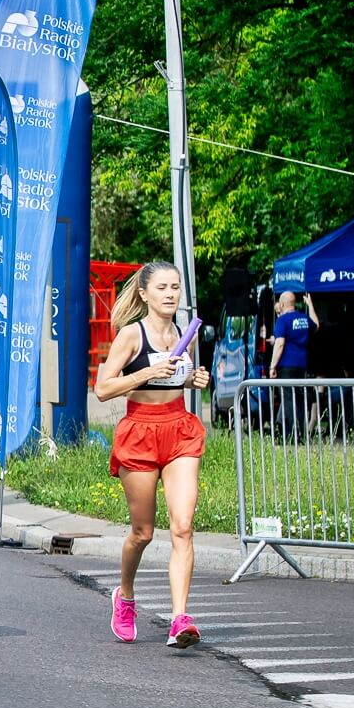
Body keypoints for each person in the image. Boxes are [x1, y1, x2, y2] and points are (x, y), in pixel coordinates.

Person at [94, 260, 213, 650]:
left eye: (175, 287)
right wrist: (148, 372)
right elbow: (103, 389)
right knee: (142, 532)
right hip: (140, 431)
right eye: (162, 288)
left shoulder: (185, 333)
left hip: (179, 429)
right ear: (144, 293)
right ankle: (125, 595)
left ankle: (180, 619)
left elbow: (178, 379)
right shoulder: (132, 334)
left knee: (183, 526)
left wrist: (193, 379)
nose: (170, 294)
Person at [269, 290, 319, 435]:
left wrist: (272, 365)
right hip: (302, 365)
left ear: (282, 304)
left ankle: (291, 434)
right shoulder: (304, 318)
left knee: (288, 399)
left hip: (286, 366)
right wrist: (310, 305)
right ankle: (302, 432)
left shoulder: (282, 320)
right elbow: (316, 325)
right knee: (301, 398)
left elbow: (280, 344)